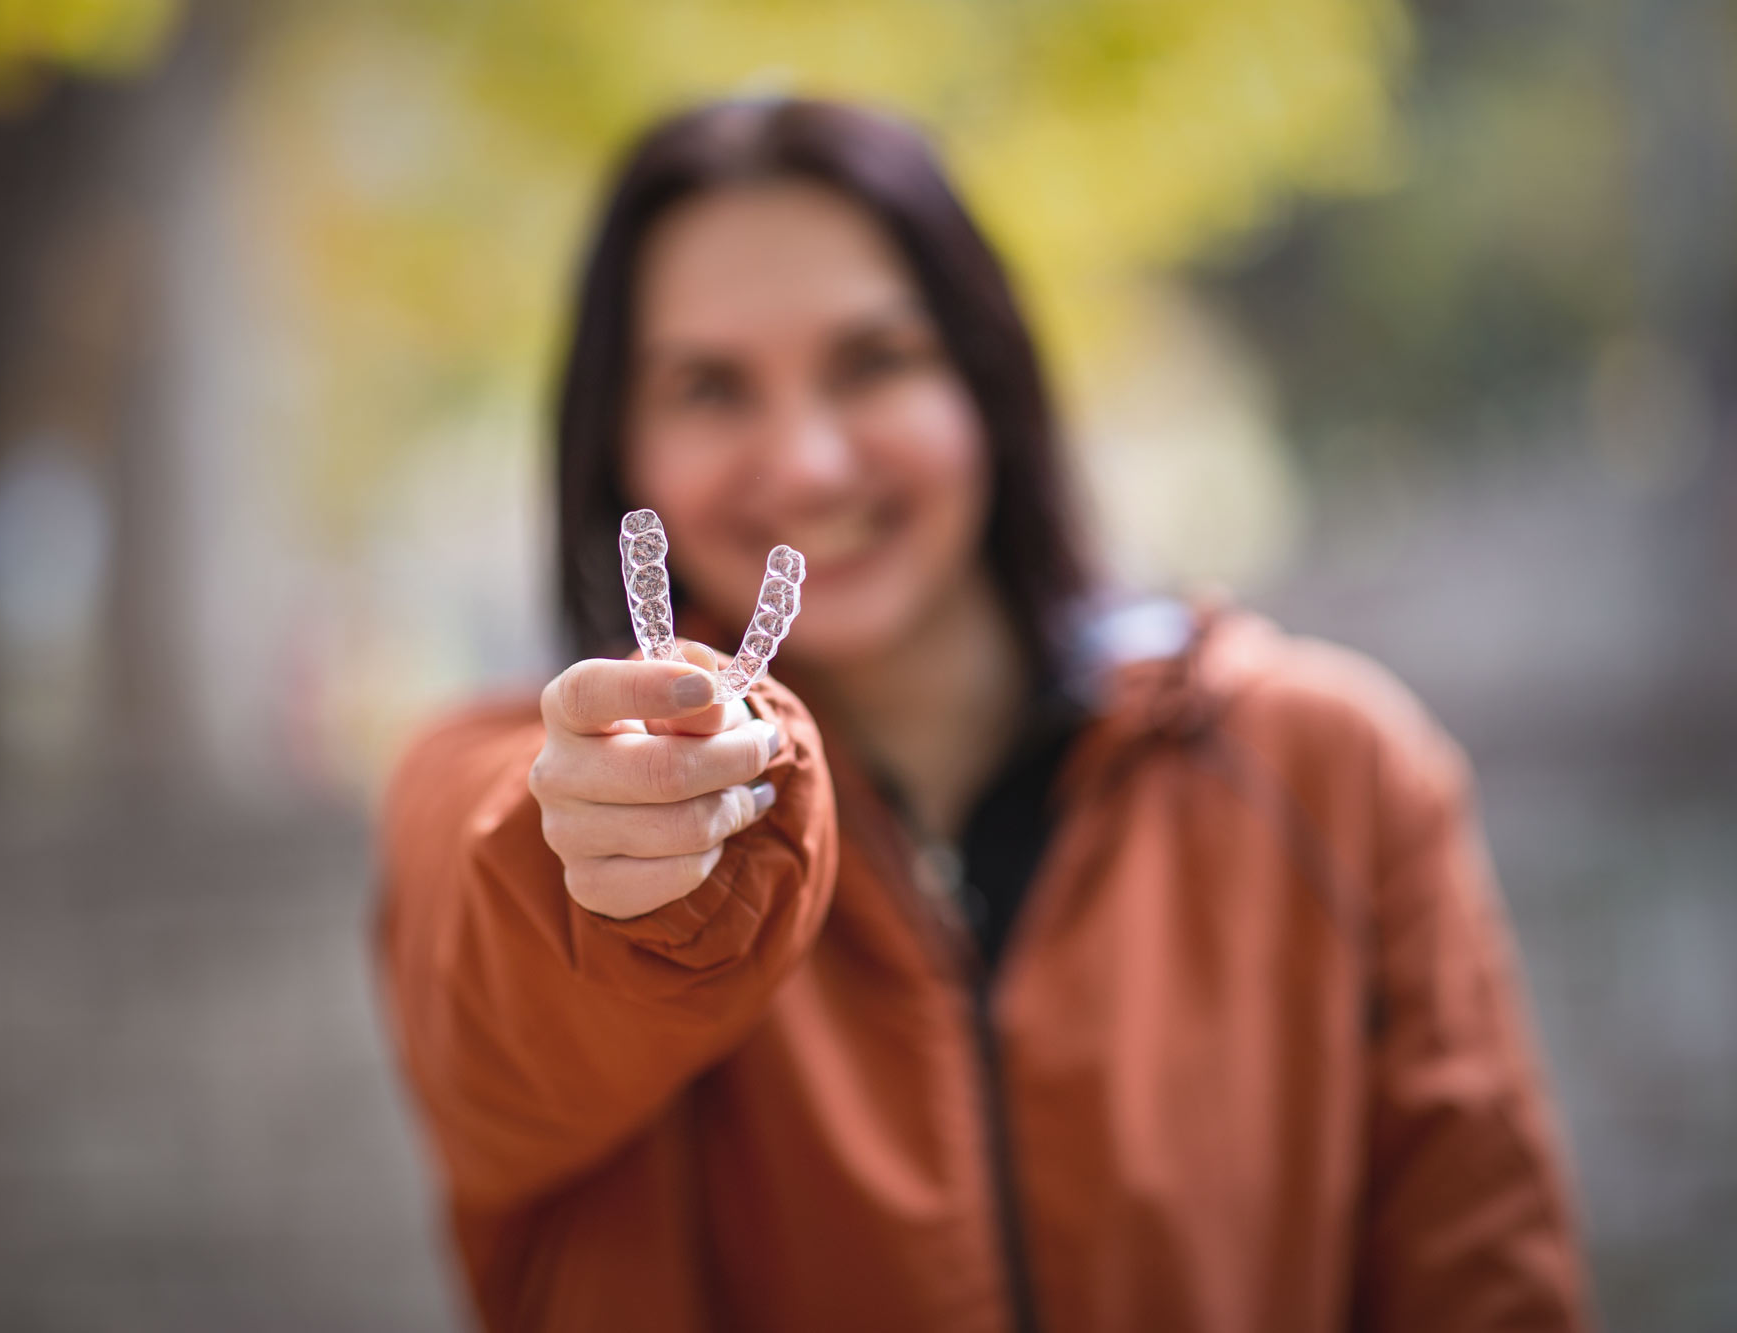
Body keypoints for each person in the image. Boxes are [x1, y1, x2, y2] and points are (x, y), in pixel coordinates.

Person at [373, 96, 1592, 1332]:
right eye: (709, 386)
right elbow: (496, 962)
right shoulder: (496, 799)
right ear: (618, 447)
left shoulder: (1330, 772)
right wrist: (624, 867)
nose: (805, 462)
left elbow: (1485, 1281)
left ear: (985, 384)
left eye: (873, 362)